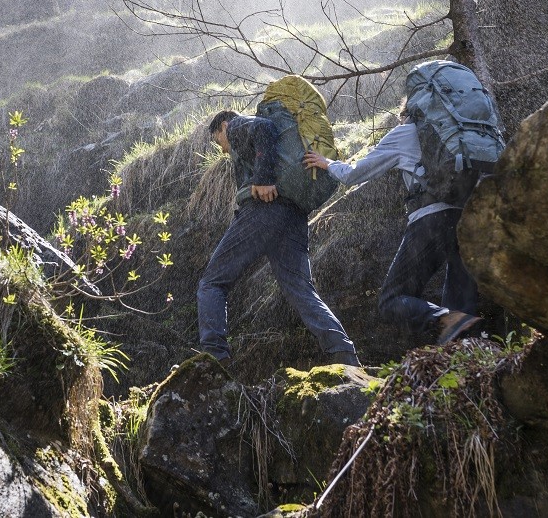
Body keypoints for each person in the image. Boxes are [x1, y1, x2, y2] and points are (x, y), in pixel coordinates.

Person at [303, 105, 485, 345]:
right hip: (469, 219)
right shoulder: (461, 134)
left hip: (430, 219)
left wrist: (328, 163)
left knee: (392, 299)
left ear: (405, 114)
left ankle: (444, 320)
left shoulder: (407, 131)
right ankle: (469, 357)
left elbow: (355, 173)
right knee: (462, 311)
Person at [197, 110, 360, 367]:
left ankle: (215, 358)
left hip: (263, 210)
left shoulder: (237, 125)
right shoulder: (274, 140)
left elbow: (263, 128)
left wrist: (263, 179)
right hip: (293, 214)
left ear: (224, 126)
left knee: (212, 283)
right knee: (301, 290)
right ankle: (343, 352)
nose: (224, 151)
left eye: (220, 142)